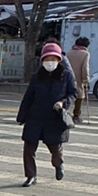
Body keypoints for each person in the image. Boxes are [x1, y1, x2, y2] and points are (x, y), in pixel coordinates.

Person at [16, 42, 75, 187]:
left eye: (53, 59)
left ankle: (58, 165)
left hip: (54, 117)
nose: (50, 63)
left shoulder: (66, 75)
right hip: (35, 116)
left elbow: (73, 93)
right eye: (47, 59)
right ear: (42, 60)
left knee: (55, 148)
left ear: (59, 60)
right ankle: (31, 176)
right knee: (29, 148)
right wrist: (22, 116)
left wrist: (63, 103)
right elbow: (29, 96)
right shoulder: (37, 76)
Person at [65, 36, 92, 123]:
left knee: (67, 94)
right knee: (79, 96)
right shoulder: (85, 54)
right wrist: (86, 79)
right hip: (78, 77)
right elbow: (85, 67)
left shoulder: (68, 53)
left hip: (68, 76)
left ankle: (64, 111)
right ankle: (76, 115)